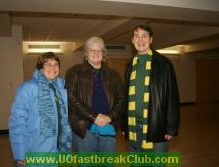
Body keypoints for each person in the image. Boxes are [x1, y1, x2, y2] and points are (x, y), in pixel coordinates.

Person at [122, 23, 180, 166]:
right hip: (133, 125)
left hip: (156, 124)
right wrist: (124, 125)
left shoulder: (163, 64)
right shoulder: (131, 65)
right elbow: (126, 97)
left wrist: (171, 127)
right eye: (137, 36)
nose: (140, 40)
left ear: (151, 39)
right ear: (132, 40)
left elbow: (173, 96)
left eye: (144, 36)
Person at [65, 36, 124, 159]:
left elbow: (121, 98)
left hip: (108, 128)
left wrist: (110, 117)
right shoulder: (74, 71)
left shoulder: (113, 74)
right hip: (84, 130)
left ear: (104, 54)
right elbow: (71, 98)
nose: (96, 53)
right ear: (86, 54)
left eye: (100, 50)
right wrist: (94, 117)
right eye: (92, 50)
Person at [9, 52, 71, 167]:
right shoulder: (28, 88)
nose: (53, 68)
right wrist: (21, 154)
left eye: (56, 64)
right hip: (36, 150)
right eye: (48, 64)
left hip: (57, 150)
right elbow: (17, 123)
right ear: (40, 67)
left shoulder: (62, 88)